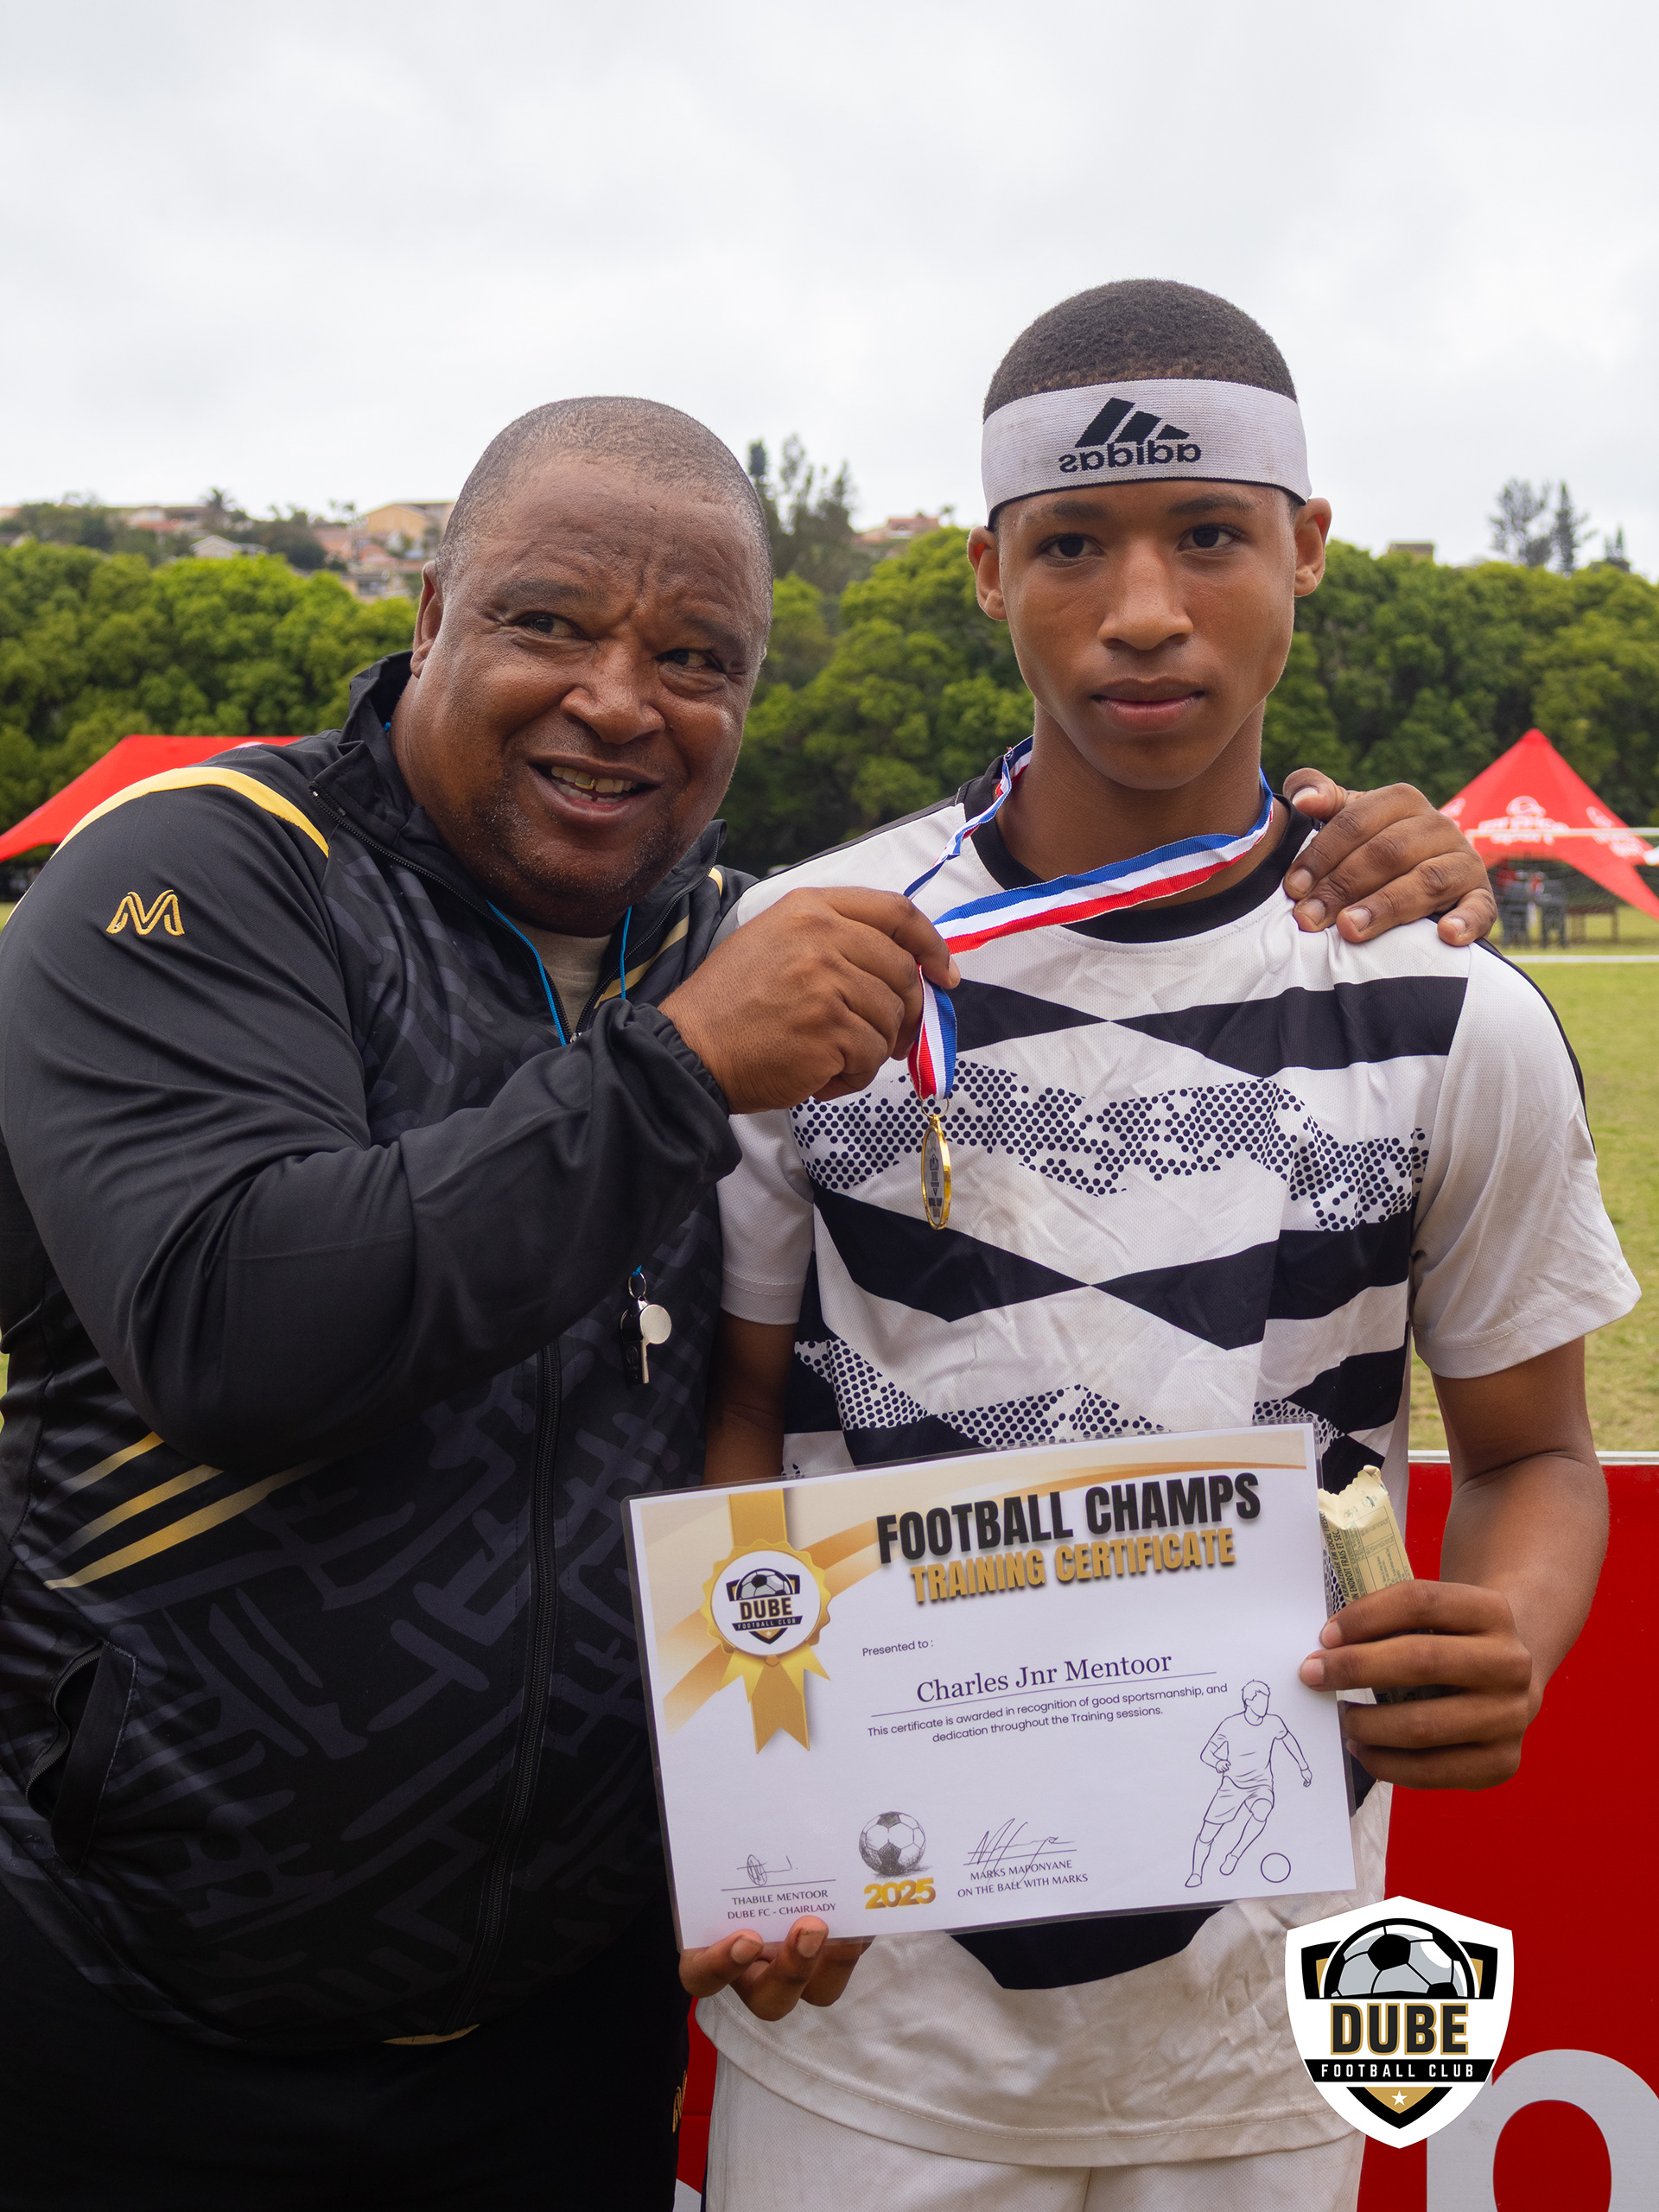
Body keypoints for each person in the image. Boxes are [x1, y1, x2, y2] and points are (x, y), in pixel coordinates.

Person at [0, 391, 1497, 2212]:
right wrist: (680, 1069)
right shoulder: (202, 872)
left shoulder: (730, 943)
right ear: (431, 615)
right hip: (133, 2015)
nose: (620, 698)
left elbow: (758, 1412)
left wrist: (1351, 853)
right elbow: (236, 1334)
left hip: (566, 2036)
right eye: (549, 621)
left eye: (696, 657)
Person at [688, 282, 1637, 2211]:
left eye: (1209, 532)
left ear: (1308, 546)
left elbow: (1535, 1451)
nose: (1142, 607)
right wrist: (757, 1815)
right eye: (1072, 544)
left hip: (1262, 2022)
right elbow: (732, 1425)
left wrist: (1510, 1637)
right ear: (985, 571)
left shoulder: (1451, 1004)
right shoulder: (813, 957)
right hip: (877, 2021)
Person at [1187, 1681, 1311, 1887]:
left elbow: (1289, 1740)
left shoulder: (1274, 1722)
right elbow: (1206, 1753)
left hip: (1261, 1784)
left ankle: (1234, 1855)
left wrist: (1303, 1766)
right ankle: (1196, 1874)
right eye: (1261, 1701)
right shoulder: (1230, 1725)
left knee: (1263, 1810)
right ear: (1248, 1701)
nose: (1265, 1705)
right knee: (1207, 1833)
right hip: (1232, 1785)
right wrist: (1217, 1763)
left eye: (1267, 1700)